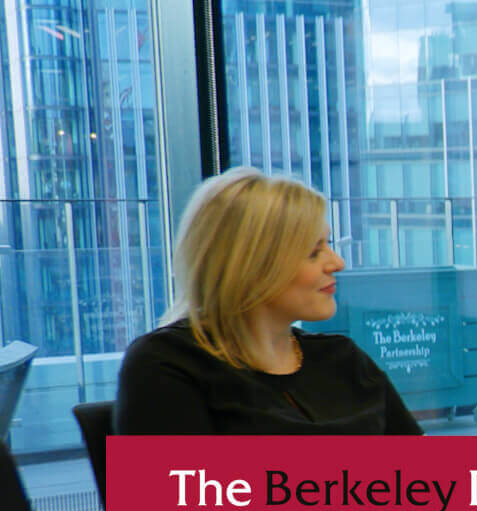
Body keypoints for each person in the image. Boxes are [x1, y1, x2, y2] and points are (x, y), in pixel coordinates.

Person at [115, 168, 423, 436]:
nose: (337, 263)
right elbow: (172, 498)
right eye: (313, 252)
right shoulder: (166, 364)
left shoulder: (344, 360)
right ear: (252, 266)